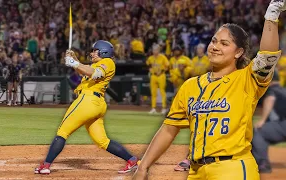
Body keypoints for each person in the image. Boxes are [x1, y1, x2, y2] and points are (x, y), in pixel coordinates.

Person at [133, 1, 285, 179]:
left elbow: (267, 56)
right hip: (196, 171)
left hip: (232, 168)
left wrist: (272, 14)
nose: (215, 46)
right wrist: (143, 166)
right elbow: (168, 130)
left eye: (224, 43)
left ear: (238, 52)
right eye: (213, 41)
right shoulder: (190, 86)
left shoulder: (246, 79)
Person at [34, 40, 139, 175]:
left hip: (88, 101)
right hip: (97, 104)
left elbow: (94, 73)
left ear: (104, 51)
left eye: (95, 50)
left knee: (62, 132)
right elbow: (85, 71)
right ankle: (132, 160)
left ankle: (46, 165)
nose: (92, 53)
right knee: (102, 141)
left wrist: (74, 63)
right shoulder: (98, 64)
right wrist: (74, 60)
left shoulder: (107, 62)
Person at [252, 71, 286, 173]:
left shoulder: (270, 90)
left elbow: (270, 99)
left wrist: (262, 120)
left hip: (282, 126)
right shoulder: (284, 90)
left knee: (258, 131)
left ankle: (263, 163)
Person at [146, 44, 170, 115]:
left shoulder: (162, 57)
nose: (155, 51)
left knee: (162, 92)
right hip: (153, 75)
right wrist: (150, 69)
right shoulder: (150, 58)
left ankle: (164, 108)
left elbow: (168, 65)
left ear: (159, 50)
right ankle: (153, 108)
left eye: (156, 50)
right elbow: (148, 64)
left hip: (161, 75)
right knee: (153, 92)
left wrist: (162, 70)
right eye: (154, 50)